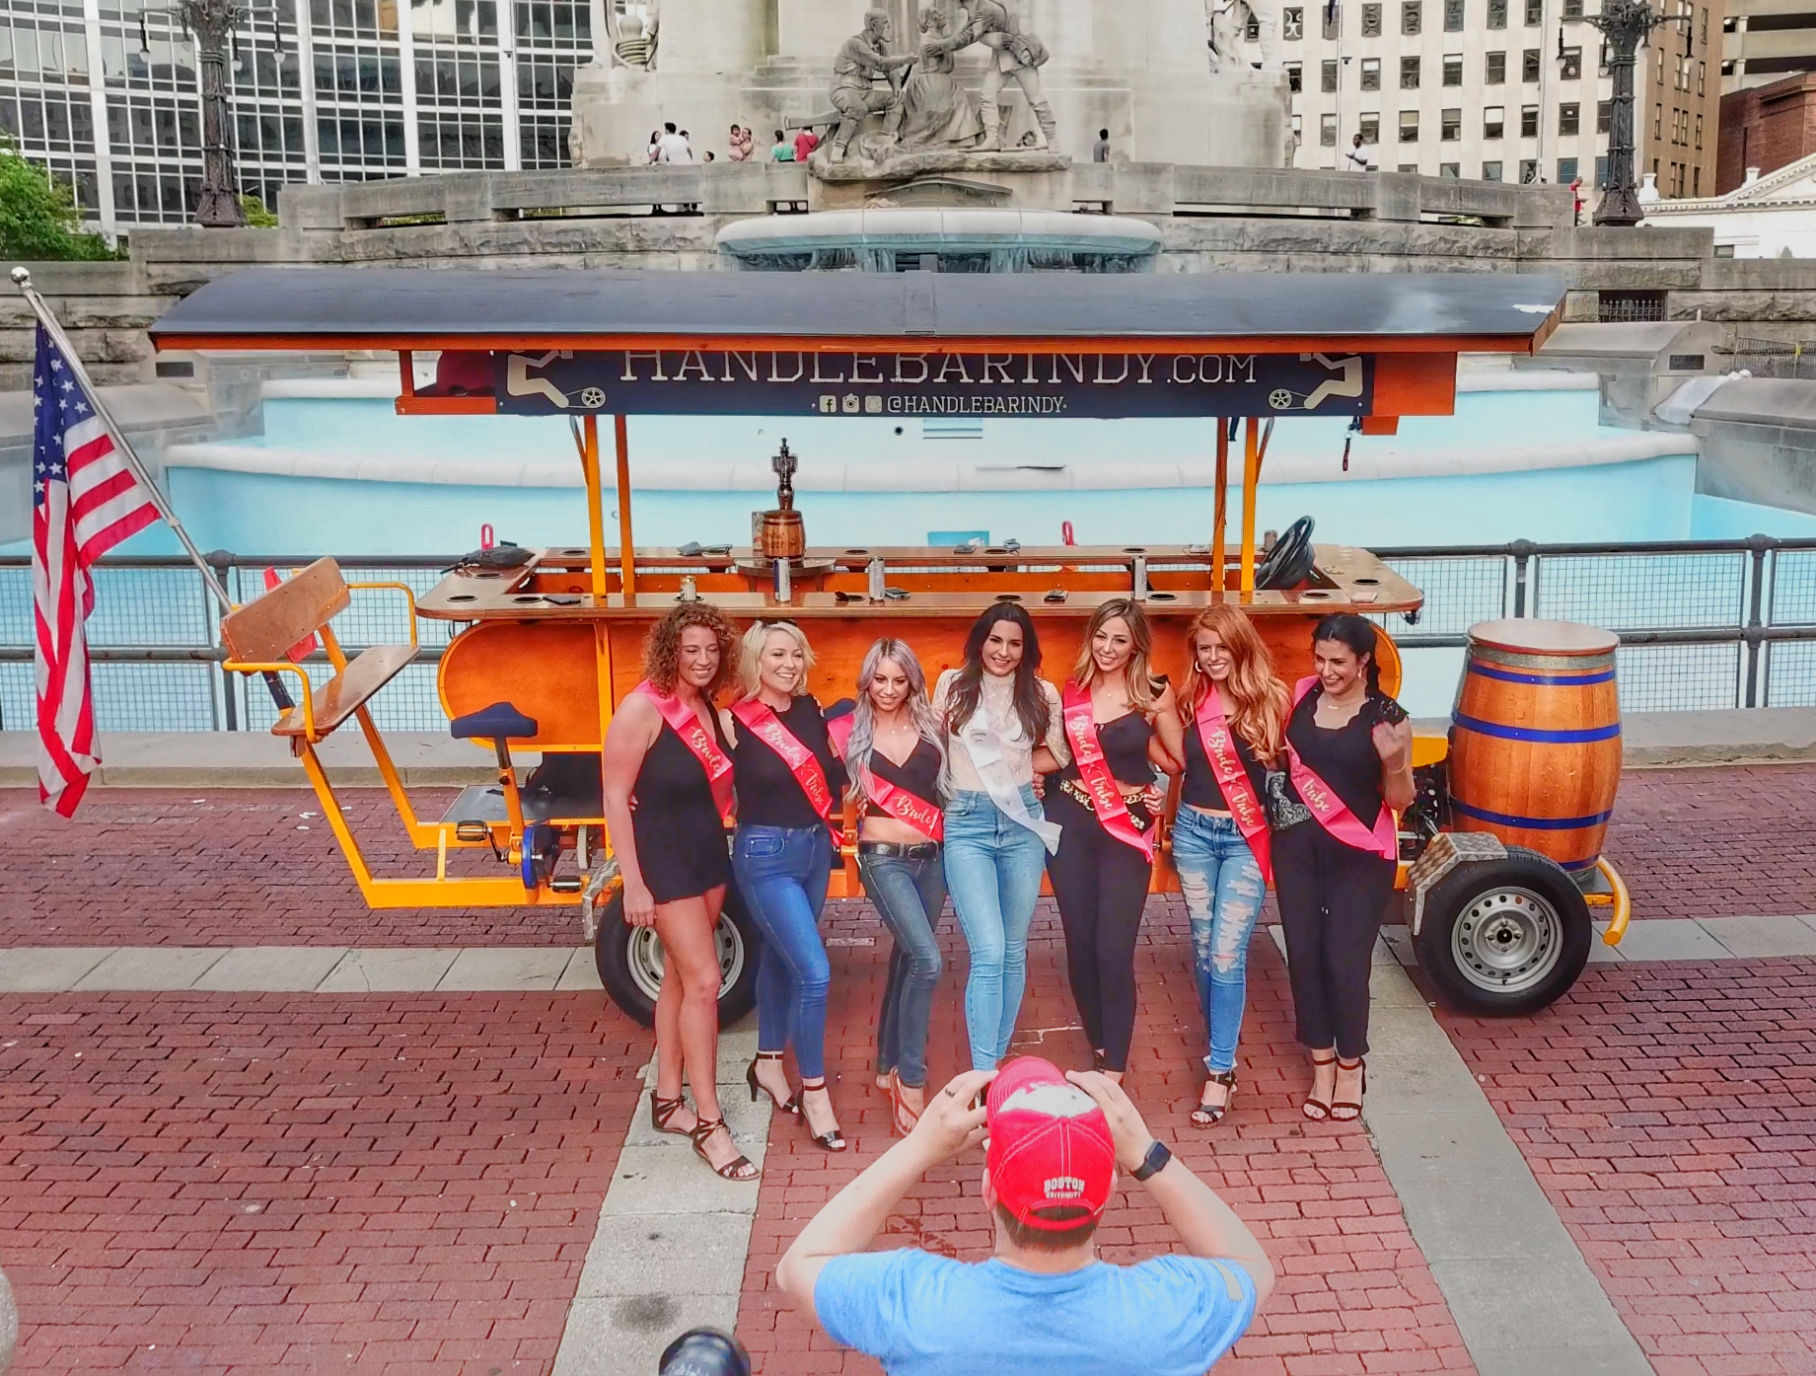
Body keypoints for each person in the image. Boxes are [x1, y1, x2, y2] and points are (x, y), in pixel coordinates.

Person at [777, 1057, 1273, 1376]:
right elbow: (1251, 1267)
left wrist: (918, 1149)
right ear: (1111, 1188)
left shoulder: (915, 1305)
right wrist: (1147, 1152)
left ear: (989, 1191)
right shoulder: (1165, 1313)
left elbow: (799, 1265)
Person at [600, 603, 755, 1182]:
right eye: (691, 650)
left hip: (708, 856)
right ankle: (711, 1122)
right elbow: (615, 796)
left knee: (676, 978)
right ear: (671, 651)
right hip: (662, 863)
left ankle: (668, 1100)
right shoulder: (641, 708)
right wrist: (632, 881)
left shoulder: (706, 706)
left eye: (712, 651)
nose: (703, 659)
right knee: (707, 981)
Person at [1268, 613, 1413, 1122]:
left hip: (1359, 853)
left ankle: (1351, 1064)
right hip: (1298, 850)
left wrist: (1394, 763)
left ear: (1364, 662)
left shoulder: (1388, 717)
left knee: (1345, 962)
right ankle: (1322, 1063)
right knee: (1303, 956)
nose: (1326, 670)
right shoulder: (1301, 697)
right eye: (1321, 659)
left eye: (1338, 662)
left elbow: (1400, 800)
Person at [1044, 599, 1182, 1080]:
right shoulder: (1070, 691)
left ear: (1136, 646)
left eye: (1119, 640)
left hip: (1125, 829)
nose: (1108, 647)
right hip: (1070, 821)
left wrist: (1161, 795)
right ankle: (1099, 1046)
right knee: (1079, 946)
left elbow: (1178, 760)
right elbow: (1053, 753)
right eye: (1101, 636)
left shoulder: (1153, 694)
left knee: (1113, 948)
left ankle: (1115, 1069)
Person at [725, 620, 850, 1152]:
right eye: (778, 654)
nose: (790, 664)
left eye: (797, 654)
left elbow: (836, 776)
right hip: (764, 854)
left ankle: (769, 1064)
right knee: (815, 972)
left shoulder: (810, 709)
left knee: (780, 958)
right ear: (757, 659)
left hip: (815, 849)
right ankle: (816, 1091)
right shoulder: (732, 721)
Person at [936, 604, 1068, 1073]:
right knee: (988, 950)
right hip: (967, 822)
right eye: (996, 640)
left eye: (1015, 643)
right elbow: (933, 744)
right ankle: (985, 1074)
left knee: (1013, 948)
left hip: (1021, 823)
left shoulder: (1043, 692)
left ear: (1026, 649)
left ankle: (995, 1062)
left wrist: (1024, 770)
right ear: (980, 641)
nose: (1004, 652)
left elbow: (1060, 751)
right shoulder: (951, 684)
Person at [827, 639, 948, 1136]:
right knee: (928, 960)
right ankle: (911, 1080)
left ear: (913, 682)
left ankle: (884, 1060)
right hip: (883, 859)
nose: (889, 690)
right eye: (880, 679)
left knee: (906, 957)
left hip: (933, 858)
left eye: (900, 680)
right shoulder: (846, 729)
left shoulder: (933, 727)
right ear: (866, 680)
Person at [1173, 605, 1287, 1127]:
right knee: (1202, 950)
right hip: (1194, 834)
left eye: (1222, 647)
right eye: (1204, 649)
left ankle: (1220, 1069)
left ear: (1240, 646)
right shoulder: (1188, 697)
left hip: (1244, 837)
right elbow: (1173, 762)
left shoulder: (1271, 700)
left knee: (1225, 954)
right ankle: (1219, 1036)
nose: (1213, 657)